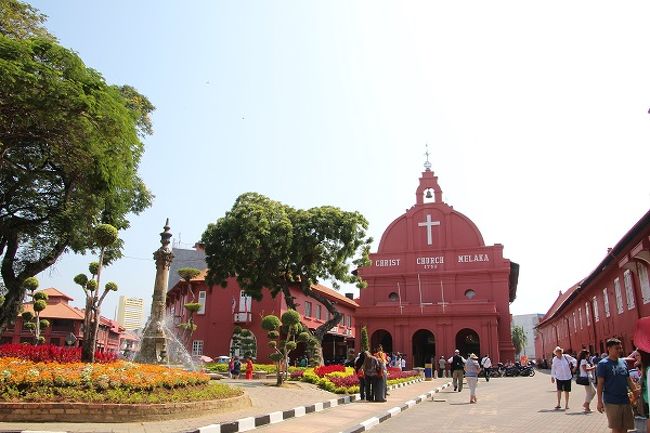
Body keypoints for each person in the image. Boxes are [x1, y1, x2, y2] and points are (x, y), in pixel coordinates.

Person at [597, 338, 639, 433]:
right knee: (616, 428)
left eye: (621, 348)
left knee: (625, 427)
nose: (620, 350)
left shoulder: (623, 362)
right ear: (609, 348)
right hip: (612, 401)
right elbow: (600, 384)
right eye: (617, 348)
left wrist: (635, 391)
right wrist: (599, 401)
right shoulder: (603, 364)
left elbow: (628, 379)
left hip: (625, 400)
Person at [550, 346, 576, 410]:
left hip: (567, 376)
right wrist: (552, 376)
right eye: (557, 351)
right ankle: (558, 404)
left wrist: (575, 367)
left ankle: (566, 405)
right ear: (555, 353)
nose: (559, 352)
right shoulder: (555, 359)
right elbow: (553, 368)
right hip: (559, 377)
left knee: (566, 391)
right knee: (559, 390)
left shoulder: (566, 356)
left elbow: (574, 360)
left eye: (560, 351)